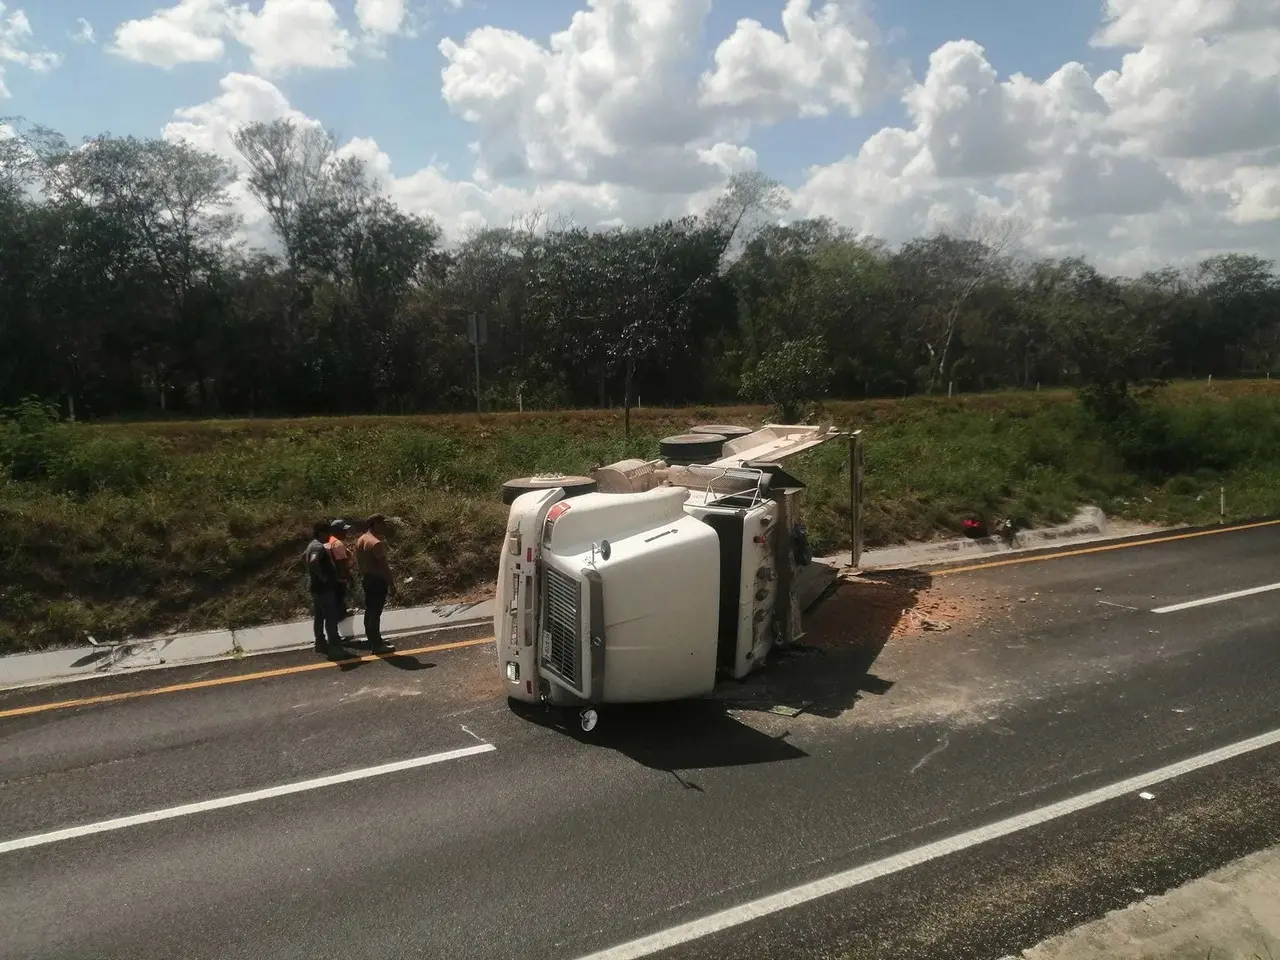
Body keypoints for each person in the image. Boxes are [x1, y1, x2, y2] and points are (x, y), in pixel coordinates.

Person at [355, 514, 397, 655]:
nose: (384, 526)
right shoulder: (376, 543)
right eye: (381, 523)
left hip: (367, 579)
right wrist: (391, 584)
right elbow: (383, 566)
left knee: (369, 611)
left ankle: (373, 640)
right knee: (375, 613)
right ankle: (377, 644)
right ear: (374, 524)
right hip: (377, 581)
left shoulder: (361, 540)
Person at [304, 521, 344, 656]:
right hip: (323, 589)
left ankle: (320, 644)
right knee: (330, 617)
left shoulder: (312, 545)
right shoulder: (317, 547)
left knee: (319, 617)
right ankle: (335, 647)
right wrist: (322, 577)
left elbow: (304, 558)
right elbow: (313, 561)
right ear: (321, 533)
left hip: (317, 589)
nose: (329, 536)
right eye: (327, 533)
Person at [325, 519, 356, 617]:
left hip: (328, 576)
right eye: (343, 530)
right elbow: (341, 564)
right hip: (337, 578)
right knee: (339, 596)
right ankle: (340, 615)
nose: (346, 532)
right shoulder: (337, 544)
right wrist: (349, 578)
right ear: (337, 531)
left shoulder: (328, 541)